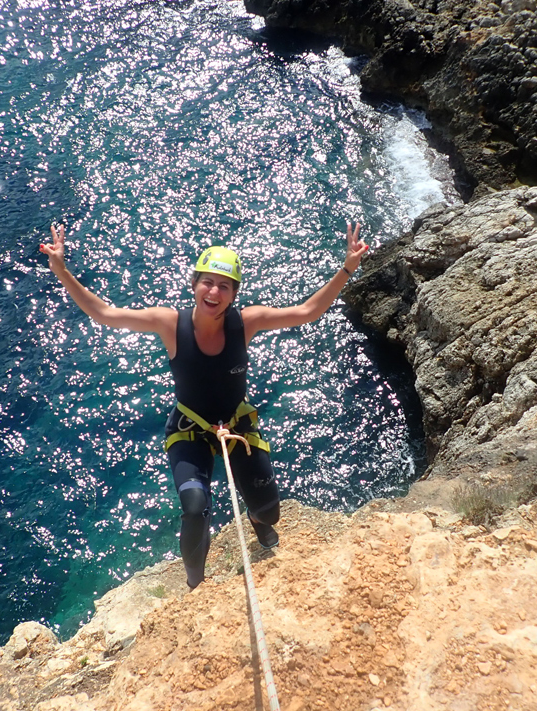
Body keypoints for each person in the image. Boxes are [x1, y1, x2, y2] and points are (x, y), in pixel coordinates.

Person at [39, 221, 368, 588]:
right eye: (207, 282)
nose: (214, 291)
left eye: (224, 286)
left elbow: (308, 310)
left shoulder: (246, 323)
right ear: (194, 285)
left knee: (269, 510)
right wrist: (62, 271)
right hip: (189, 430)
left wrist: (348, 267)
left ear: (233, 294)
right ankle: (196, 583)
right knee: (194, 509)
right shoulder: (169, 324)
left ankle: (257, 521)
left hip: (237, 426)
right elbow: (105, 314)